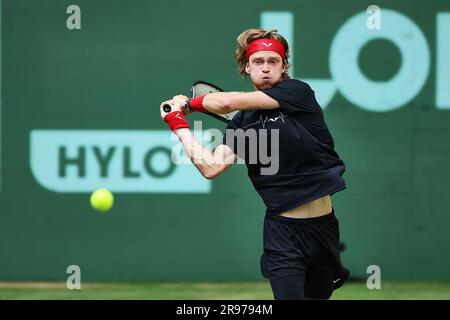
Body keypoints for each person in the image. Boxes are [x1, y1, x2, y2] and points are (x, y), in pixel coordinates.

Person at [159, 28, 350, 300]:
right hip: (282, 237)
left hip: (324, 231)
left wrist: (187, 104)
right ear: (246, 68)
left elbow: (226, 101)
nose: (266, 68)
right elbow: (210, 167)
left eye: (273, 62)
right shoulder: (243, 124)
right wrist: (177, 123)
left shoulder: (298, 93)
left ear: (284, 67)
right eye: (258, 62)